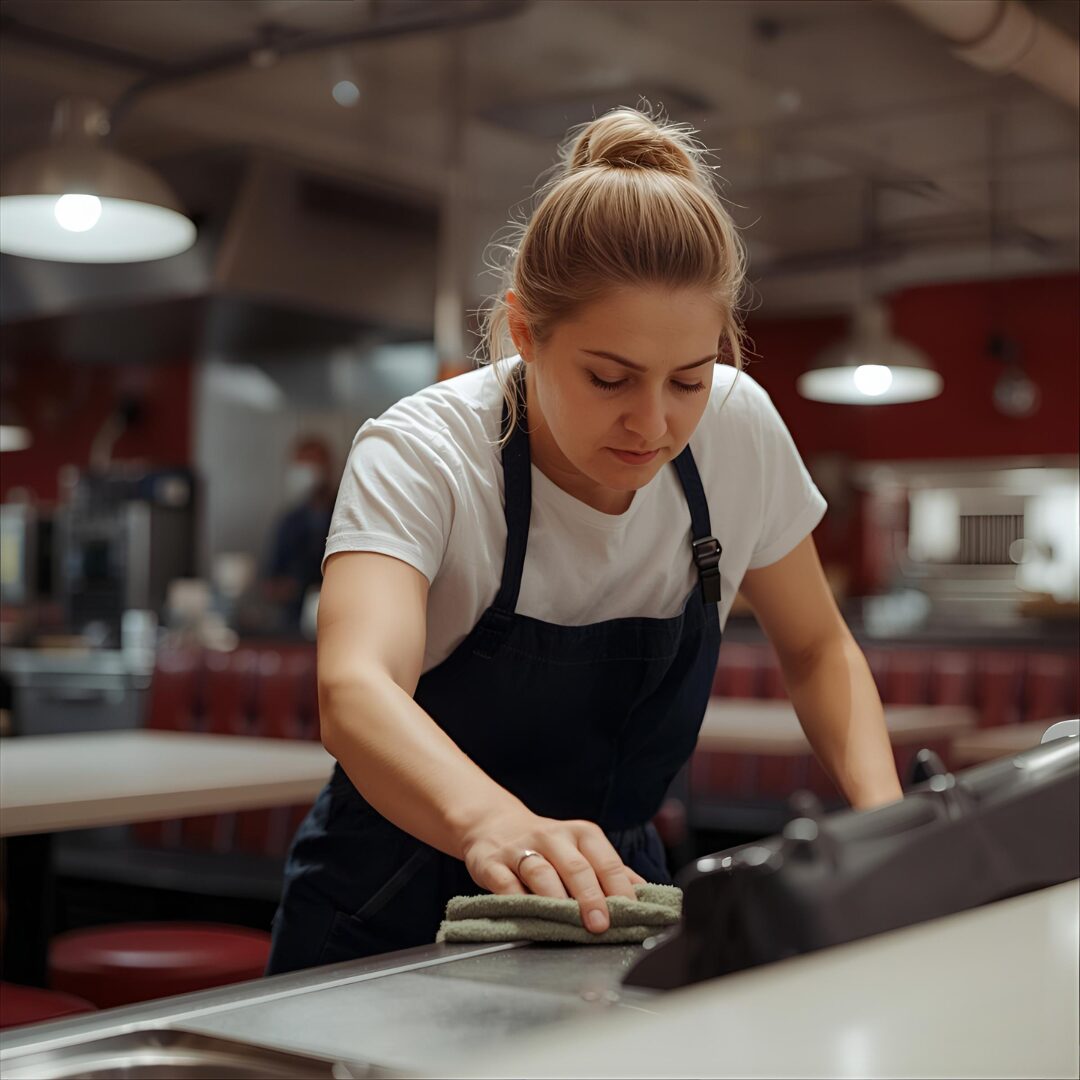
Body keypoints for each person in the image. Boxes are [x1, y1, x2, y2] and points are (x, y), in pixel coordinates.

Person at [266, 107, 903, 975]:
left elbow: (819, 646)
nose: (654, 422)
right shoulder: (423, 452)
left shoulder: (736, 428)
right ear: (526, 333)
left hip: (610, 897)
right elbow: (355, 687)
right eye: (610, 378)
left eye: (688, 378)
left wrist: (887, 828)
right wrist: (495, 822)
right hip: (393, 903)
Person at [261, 437, 336, 631]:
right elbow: (270, 582)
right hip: (293, 625)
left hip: (340, 621)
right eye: (300, 466)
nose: (306, 473)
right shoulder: (289, 522)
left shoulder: (346, 514)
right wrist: (293, 588)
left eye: (312, 464)